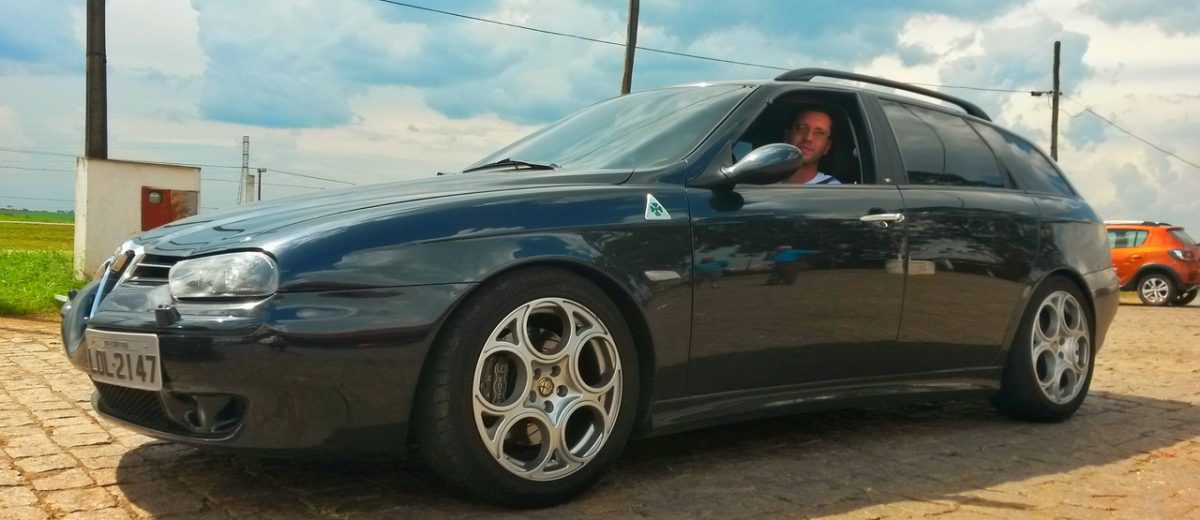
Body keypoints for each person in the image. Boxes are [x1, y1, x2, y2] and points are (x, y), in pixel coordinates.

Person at [783, 108, 840, 185]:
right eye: (802, 128)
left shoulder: (833, 189)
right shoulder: (767, 180)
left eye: (819, 133)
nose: (808, 138)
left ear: (827, 147)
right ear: (787, 136)